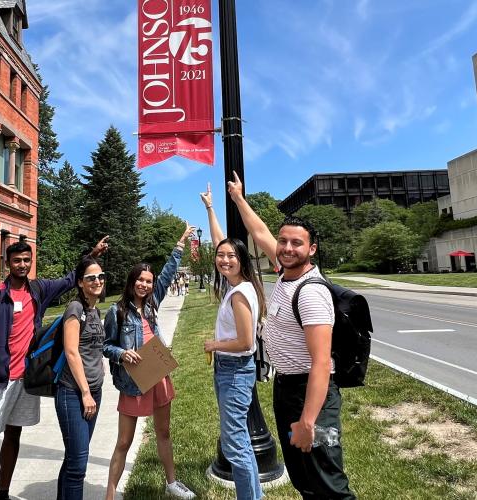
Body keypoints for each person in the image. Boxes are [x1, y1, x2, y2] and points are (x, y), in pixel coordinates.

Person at [227, 172, 356, 499]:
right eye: (283, 241)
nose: (286, 247)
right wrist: (239, 198)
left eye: (296, 243)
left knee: (328, 482)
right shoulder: (286, 271)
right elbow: (258, 232)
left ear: (311, 249)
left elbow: (321, 363)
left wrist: (309, 421)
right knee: (303, 478)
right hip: (286, 388)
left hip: (309, 395)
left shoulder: (311, 293)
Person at [0, 237, 108, 500]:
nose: (22, 265)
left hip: (26, 378)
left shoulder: (37, 290)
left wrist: (91, 253)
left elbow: (72, 279)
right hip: (0, 379)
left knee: (14, 434)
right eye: (17, 261)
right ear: (8, 263)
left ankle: (3, 492)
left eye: (26, 260)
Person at [102, 225, 198, 500]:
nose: (145, 285)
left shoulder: (153, 302)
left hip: (158, 375)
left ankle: (172, 483)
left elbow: (168, 273)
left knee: (164, 431)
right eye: (140, 280)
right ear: (132, 282)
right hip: (133, 382)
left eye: (148, 281)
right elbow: (105, 346)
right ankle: (110, 493)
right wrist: (121, 353)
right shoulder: (116, 312)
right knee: (124, 441)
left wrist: (180, 243)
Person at [201, 186, 267, 500]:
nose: (224, 259)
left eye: (231, 256)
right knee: (235, 442)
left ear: (242, 260)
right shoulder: (239, 284)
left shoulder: (240, 293)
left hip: (235, 371)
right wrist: (211, 208)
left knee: (236, 446)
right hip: (232, 372)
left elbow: (244, 342)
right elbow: (219, 242)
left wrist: (214, 345)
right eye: (221, 256)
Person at [56, 256, 109, 500]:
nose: (97, 281)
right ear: (80, 282)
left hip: (93, 391)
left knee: (74, 458)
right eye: (91, 278)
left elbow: (95, 348)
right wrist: (86, 392)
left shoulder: (95, 310)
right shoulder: (75, 308)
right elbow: (71, 351)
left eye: (100, 276)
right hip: (73, 392)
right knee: (78, 464)